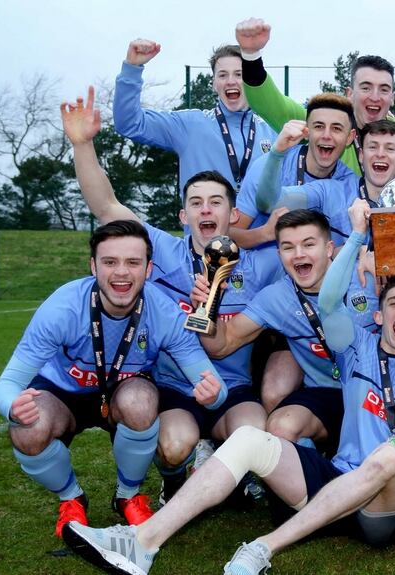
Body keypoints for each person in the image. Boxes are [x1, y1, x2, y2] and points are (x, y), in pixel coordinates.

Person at [63, 199, 395, 575]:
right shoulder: (355, 349)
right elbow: (328, 304)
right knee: (248, 439)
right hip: (337, 482)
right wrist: (358, 235)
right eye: (394, 303)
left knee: (388, 457)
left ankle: (261, 548)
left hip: (391, 507)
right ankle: (142, 542)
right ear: (377, 317)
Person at [63, 87, 277, 504]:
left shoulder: (260, 264)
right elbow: (106, 206)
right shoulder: (161, 250)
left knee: (257, 435)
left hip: (234, 387)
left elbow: (312, 261)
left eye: (216, 202)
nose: (206, 210)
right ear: (183, 216)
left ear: (232, 215)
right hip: (177, 388)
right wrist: (82, 145)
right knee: (174, 444)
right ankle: (176, 478)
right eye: (195, 203)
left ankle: (223, 462)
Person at [0, 219, 225, 538]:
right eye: (110, 262)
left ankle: (127, 496)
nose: (121, 273)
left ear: (148, 268)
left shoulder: (164, 312)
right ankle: (71, 498)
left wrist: (213, 394)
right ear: (93, 266)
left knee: (141, 401)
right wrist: (12, 407)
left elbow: (214, 384)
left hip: (124, 392)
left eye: (133, 262)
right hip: (62, 393)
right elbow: (6, 385)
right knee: (28, 429)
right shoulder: (63, 307)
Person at [235, 18, 395, 176]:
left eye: (384, 89)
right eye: (366, 87)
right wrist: (251, 56)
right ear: (349, 94)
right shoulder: (323, 126)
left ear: (392, 98)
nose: (375, 97)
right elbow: (273, 106)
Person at [113, 39, 276, 191]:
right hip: (203, 222)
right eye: (223, 75)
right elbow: (129, 123)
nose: (230, 81)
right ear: (213, 84)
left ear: (252, 81)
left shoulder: (272, 131)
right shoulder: (190, 125)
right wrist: (132, 69)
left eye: (239, 74)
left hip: (262, 223)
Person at [232, 93, 357, 250]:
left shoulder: (349, 184)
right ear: (307, 131)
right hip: (266, 270)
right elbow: (229, 234)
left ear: (350, 137)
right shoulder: (270, 167)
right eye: (318, 126)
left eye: (336, 129)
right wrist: (264, 233)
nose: (326, 136)